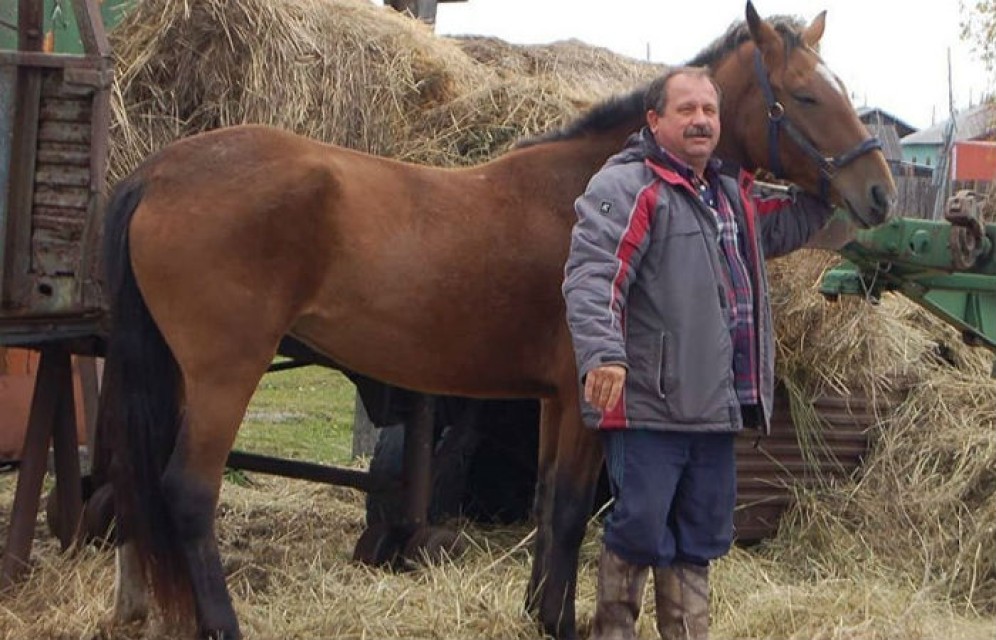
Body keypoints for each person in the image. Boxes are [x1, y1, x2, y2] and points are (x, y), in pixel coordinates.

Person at [561, 67, 834, 640]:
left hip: (716, 406)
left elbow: (794, 224)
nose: (700, 121)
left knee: (701, 536)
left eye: (708, 111)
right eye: (686, 110)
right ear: (655, 121)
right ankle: (615, 632)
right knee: (638, 529)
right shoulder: (629, 188)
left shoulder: (732, 195)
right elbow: (594, 277)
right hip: (650, 406)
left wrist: (838, 176)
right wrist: (603, 353)